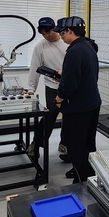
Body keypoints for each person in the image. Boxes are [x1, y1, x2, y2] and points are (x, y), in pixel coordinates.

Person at [54, 16, 101, 183]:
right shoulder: (88, 47)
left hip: (78, 107)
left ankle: (82, 182)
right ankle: (90, 178)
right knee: (88, 144)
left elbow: (69, 85)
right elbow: (86, 74)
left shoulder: (73, 51)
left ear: (70, 31)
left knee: (75, 147)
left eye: (62, 33)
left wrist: (59, 98)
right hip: (92, 103)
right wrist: (65, 73)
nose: (61, 36)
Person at [25, 17, 69, 162]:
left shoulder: (67, 42)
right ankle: (36, 145)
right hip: (52, 87)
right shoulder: (40, 47)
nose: (47, 36)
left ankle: (65, 146)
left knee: (70, 117)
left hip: (69, 86)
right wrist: (31, 88)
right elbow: (35, 68)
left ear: (55, 28)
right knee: (50, 115)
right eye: (43, 34)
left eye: (49, 32)